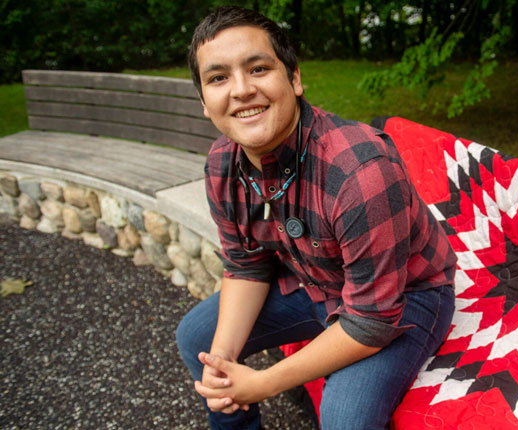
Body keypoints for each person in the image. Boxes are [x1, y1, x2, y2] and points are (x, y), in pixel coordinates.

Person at [175, 6, 457, 430]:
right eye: (218, 78)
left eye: (258, 68)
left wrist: (263, 382)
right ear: (204, 102)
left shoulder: (361, 171)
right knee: (198, 338)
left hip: (404, 295)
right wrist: (223, 367)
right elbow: (246, 266)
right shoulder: (221, 164)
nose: (241, 90)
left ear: (295, 79)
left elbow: (372, 321)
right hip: (316, 279)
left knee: (344, 419)